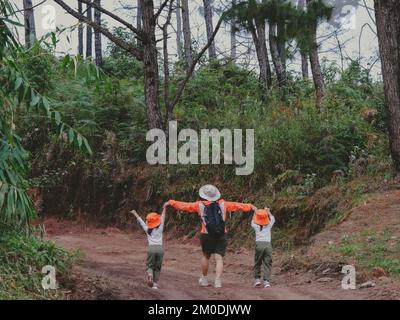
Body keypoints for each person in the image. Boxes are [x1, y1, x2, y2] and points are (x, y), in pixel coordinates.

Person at [165, 185, 257, 289]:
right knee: (219, 258)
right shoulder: (223, 204)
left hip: (206, 234)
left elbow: (185, 206)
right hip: (221, 234)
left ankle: (204, 279)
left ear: (204, 195)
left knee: (206, 256)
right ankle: (217, 281)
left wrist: (171, 202)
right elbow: (237, 205)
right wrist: (250, 206)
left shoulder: (199, 205)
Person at [131, 205, 167, 290]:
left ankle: (150, 274)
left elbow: (141, 221)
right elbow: (163, 217)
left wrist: (135, 213)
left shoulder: (147, 230)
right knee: (157, 267)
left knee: (150, 265)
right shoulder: (160, 228)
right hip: (160, 249)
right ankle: (155, 284)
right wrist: (165, 208)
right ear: (157, 221)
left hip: (151, 248)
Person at [251, 208, 275, 288]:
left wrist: (255, 212)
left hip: (259, 245)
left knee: (257, 262)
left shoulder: (255, 225)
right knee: (267, 263)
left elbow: (253, 220)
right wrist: (268, 212)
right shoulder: (269, 225)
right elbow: (272, 218)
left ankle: (257, 279)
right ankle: (266, 281)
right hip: (268, 245)